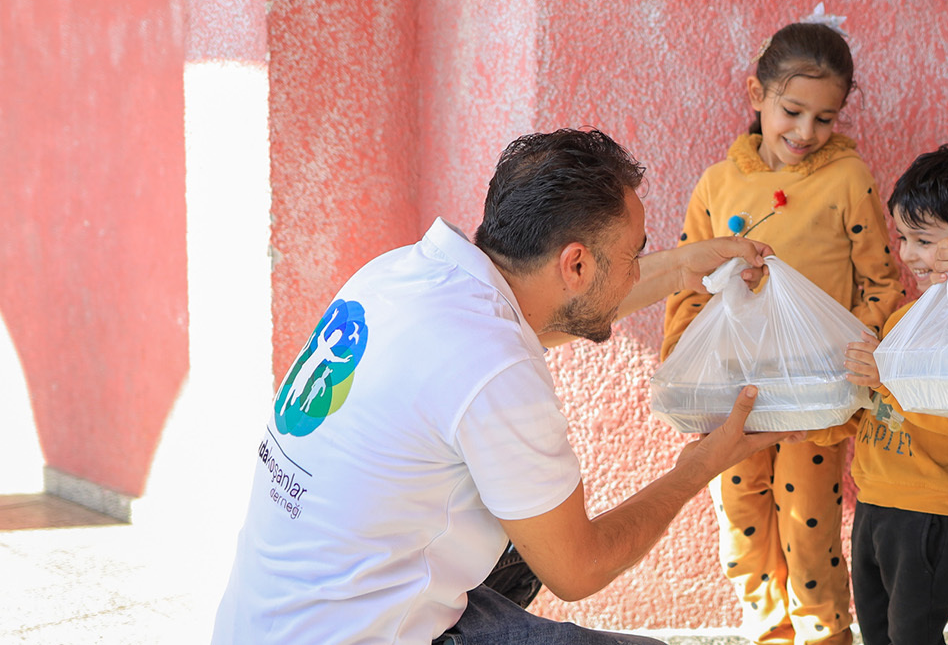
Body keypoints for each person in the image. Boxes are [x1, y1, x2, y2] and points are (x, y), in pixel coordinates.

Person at [213, 128, 801, 644]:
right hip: (354, 635)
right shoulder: (492, 363)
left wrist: (680, 268)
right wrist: (697, 466)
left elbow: (541, 323)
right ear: (574, 264)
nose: (637, 266)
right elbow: (579, 571)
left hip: (267, 620)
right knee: (563, 555)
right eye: (634, 254)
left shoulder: (406, 273)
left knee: (524, 539)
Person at [662, 11, 901, 645]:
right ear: (756, 95)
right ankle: (765, 631)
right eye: (792, 110)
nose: (805, 131)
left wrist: (860, 352)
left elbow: (882, 284)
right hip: (734, 394)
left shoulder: (848, 179)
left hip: (813, 397)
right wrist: (681, 365)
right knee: (741, 522)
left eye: (825, 118)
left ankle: (825, 634)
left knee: (810, 526)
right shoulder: (718, 184)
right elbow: (687, 285)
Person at [803, 144, 948, 645]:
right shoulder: (905, 317)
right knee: (878, 633)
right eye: (903, 238)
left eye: (922, 240)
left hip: (931, 514)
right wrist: (823, 414)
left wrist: (886, 379)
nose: (907, 255)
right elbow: (876, 406)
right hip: (876, 503)